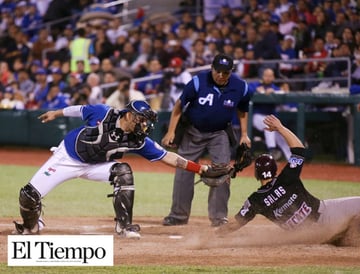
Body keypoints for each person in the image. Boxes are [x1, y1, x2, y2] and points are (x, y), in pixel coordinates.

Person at [13, 100, 214, 239]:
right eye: (141, 119)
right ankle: (32, 226)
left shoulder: (139, 141)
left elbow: (168, 157)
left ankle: (124, 226)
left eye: (146, 121)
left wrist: (200, 169)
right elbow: (79, 109)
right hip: (67, 158)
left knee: (123, 172)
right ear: (128, 115)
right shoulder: (103, 112)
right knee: (28, 195)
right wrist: (56, 113)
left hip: (97, 166)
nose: (144, 125)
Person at [216, 114, 360, 243]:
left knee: (352, 228)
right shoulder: (287, 178)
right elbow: (299, 149)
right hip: (324, 215)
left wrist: (214, 234)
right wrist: (280, 128)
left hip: (308, 234)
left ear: (257, 176)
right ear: (274, 170)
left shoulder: (255, 200)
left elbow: (235, 224)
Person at [161, 53, 251, 227]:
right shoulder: (198, 81)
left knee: (223, 171)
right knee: (183, 170)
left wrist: (245, 134)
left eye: (226, 72)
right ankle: (178, 216)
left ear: (231, 72)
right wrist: (171, 131)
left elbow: (242, 110)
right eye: (218, 71)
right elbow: (179, 105)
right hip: (192, 132)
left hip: (220, 133)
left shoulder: (241, 87)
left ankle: (219, 218)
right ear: (212, 69)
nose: (221, 75)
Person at [249, 68, 292, 161]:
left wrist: (274, 92)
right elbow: (247, 90)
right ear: (262, 76)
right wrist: (256, 91)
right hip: (256, 117)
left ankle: (291, 159)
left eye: (270, 76)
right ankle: (272, 150)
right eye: (266, 75)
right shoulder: (255, 85)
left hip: (271, 117)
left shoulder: (275, 88)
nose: (268, 78)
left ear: (273, 77)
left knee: (280, 135)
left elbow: (284, 95)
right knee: (268, 124)